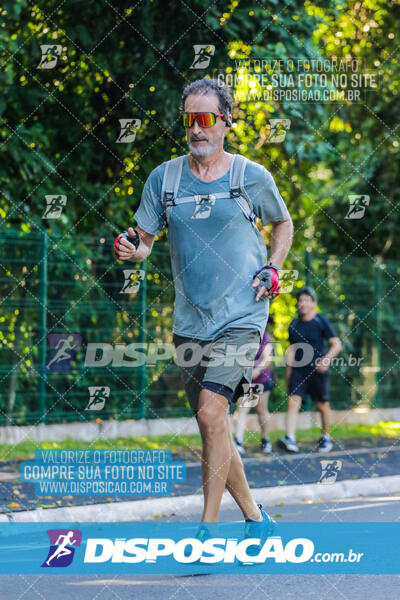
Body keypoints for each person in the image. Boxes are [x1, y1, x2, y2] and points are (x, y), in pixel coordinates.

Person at [114, 77, 293, 526]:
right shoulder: (165, 178)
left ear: (225, 122)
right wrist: (132, 250)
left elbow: (283, 224)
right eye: (190, 119)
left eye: (206, 118)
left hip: (242, 313)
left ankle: (206, 531)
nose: (196, 128)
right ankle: (256, 520)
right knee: (211, 425)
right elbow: (145, 241)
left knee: (214, 411)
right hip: (190, 319)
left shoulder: (250, 175)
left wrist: (273, 267)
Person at [278, 287, 342, 454]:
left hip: (317, 370)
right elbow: (291, 350)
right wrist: (288, 373)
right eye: (300, 301)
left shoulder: (321, 321)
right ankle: (290, 438)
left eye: (306, 300)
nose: (302, 303)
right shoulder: (293, 324)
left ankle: (325, 437)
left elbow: (337, 344)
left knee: (322, 405)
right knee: (293, 402)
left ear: (314, 303)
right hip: (298, 371)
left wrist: (326, 360)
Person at [234, 317, 275, 455]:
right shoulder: (243, 335)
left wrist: (257, 371)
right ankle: (238, 441)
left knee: (261, 410)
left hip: (260, 380)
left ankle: (265, 440)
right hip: (246, 380)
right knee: (242, 408)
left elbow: (268, 358)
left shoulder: (264, 336)